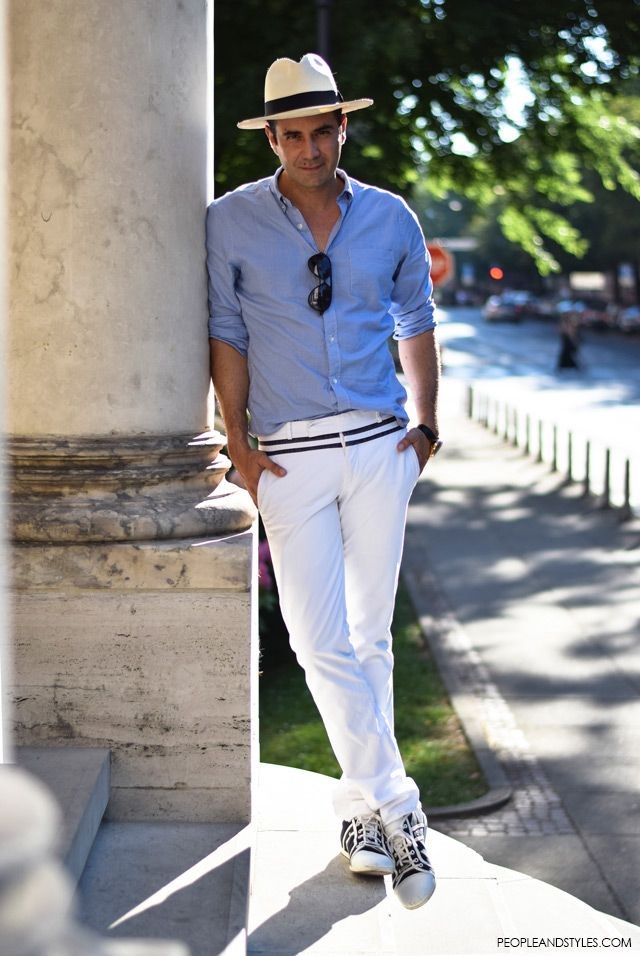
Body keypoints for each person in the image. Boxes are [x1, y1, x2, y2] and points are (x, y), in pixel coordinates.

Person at [207, 53, 441, 910]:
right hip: (289, 458)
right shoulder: (230, 222)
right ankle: (402, 807)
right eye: (291, 134)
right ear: (272, 137)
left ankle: (358, 814)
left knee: (370, 636)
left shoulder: (388, 217)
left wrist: (426, 427)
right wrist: (238, 445)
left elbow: (417, 319)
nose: (308, 147)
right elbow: (225, 333)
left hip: (381, 445)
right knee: (317, 639)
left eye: (321, 131)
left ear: (343, 128)